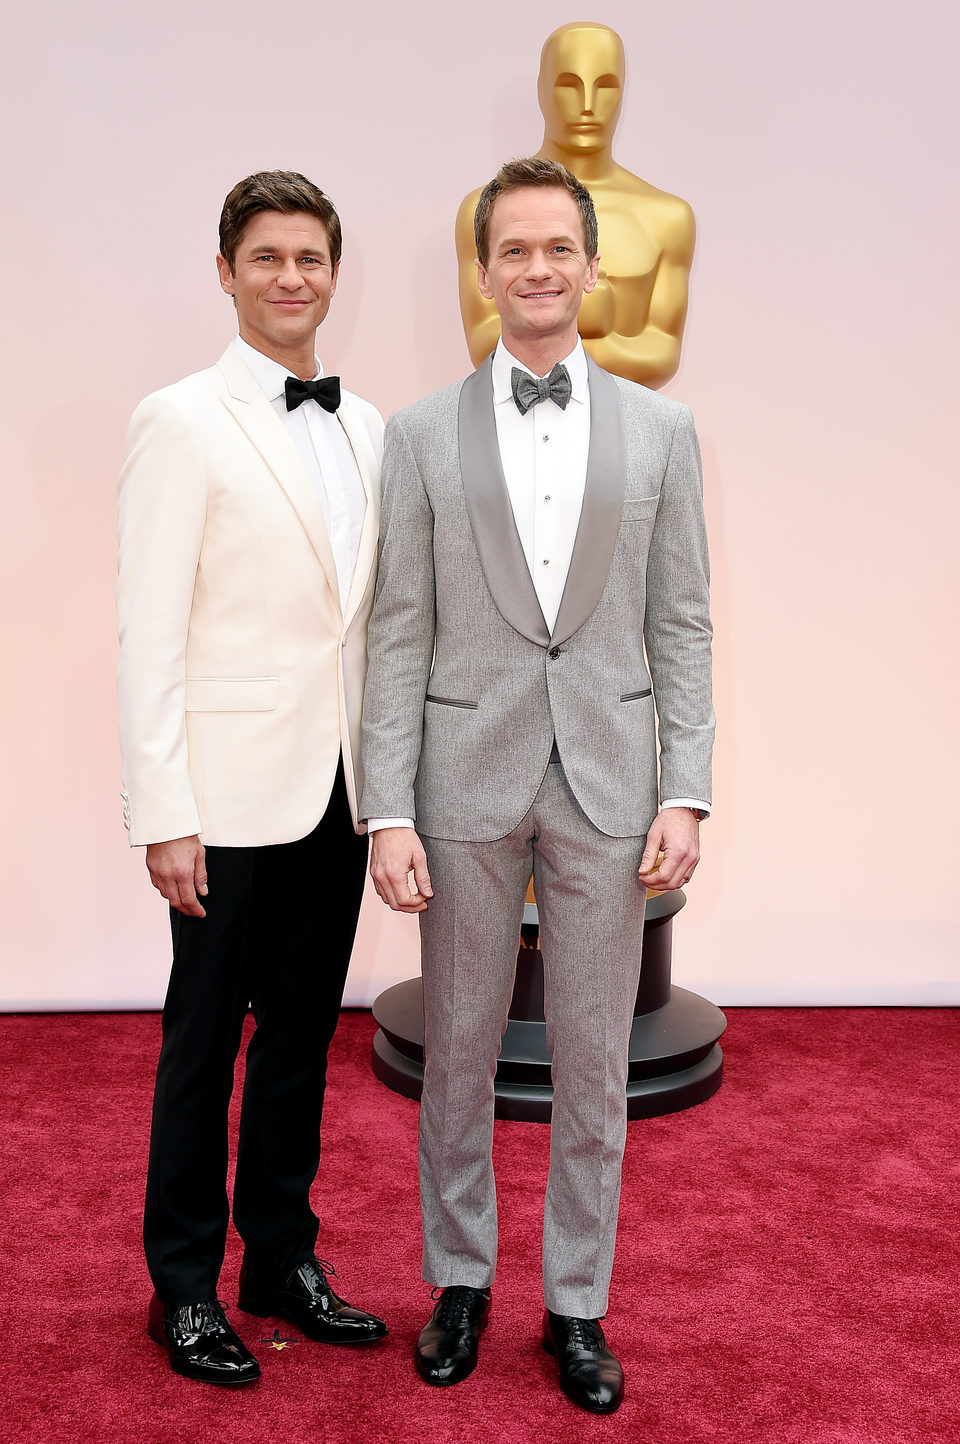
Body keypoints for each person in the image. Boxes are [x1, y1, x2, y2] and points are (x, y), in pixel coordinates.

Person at [360, 157, 713, 1415]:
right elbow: (398, 628)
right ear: (486, 269)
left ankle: (577, 1303)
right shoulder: (414, 435)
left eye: (557, 247)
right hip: (460, 779)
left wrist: (690, 787)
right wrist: (386, 807)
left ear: (591, 261)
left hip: (614, 781)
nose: (537, 269)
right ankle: (460, 1279)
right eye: (513, 250)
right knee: (456, 1046)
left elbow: (685, 624)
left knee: (592, 1060)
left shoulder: (666, 432)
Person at [117, 171, 387, 1386]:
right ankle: (183, 1285)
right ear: (224, 272)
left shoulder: (368, 425)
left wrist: (388, 796)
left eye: (311, 258)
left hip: (333, 788)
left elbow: (366, 627)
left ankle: (280, 1258)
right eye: (268, 257)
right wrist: (162, 810)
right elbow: (148, 627)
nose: (292, 278)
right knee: (201, 1042)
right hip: (221, 798)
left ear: (337, 272)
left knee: (299, 1044)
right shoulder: (178, 420)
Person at [456, 22, 695, 387]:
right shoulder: (482, 208)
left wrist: (557, 326)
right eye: (569, 86)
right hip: (512, 422)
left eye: (606, 87)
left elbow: (662, 351)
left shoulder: (668, 217)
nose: (587, 106)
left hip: (629, 431)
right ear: (542, 91)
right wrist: (595, 324)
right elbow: (482, 343)